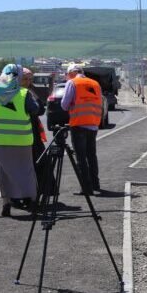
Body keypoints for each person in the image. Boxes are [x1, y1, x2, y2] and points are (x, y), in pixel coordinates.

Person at [0, 64, 39, 217]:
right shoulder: (24, 93)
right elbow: (36, 110)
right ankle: (32, 201)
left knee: (3, 172)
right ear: (18, 76)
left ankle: (6, 204)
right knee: (26, 171)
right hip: (22, 140)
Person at [61, 64, 102, 195]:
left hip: (78, 124)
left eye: (67, 75)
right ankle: (95, 184)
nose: (67, 77)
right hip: (94, 123)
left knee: (81, 157)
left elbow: (64, 105)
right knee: (91, 155)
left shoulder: (72, 83)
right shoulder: (95, 84)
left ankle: (86, 188)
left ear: (72, 73)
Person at [20, 67, 48, 190]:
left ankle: (43, 189)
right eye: (25, 79)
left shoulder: (28, 91)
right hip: (27, 133)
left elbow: (40, 110)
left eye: (30, 79)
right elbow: (39, 109)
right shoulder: (24, 93)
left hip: (31, 132)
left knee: (39, 161)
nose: (28, 82)